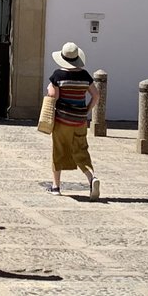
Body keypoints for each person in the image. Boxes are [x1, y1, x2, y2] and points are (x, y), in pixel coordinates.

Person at [46, 41, 99, 196]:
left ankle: (56, 187)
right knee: (81, 150)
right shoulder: (85, 75)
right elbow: (96, 95)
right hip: (80, 121)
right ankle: (92, 178)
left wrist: (50, 88)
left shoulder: (58, 75)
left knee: (58, 150)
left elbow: (54, 96)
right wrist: (87, 110)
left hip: (62, 120)